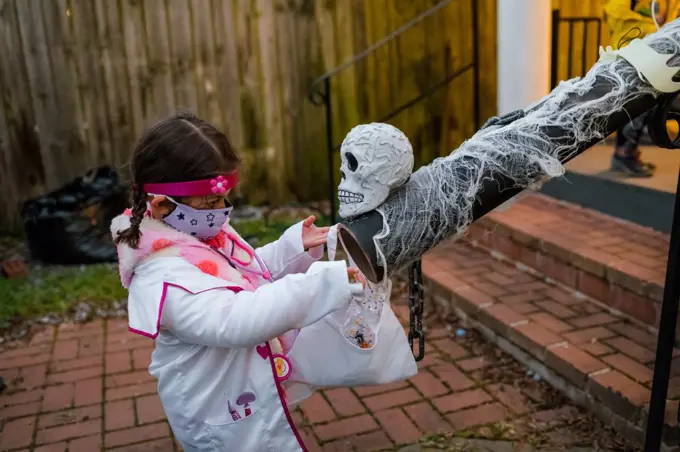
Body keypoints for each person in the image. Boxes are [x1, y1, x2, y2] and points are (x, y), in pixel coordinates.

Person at [111, 112, 366, 451]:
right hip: (214, 414)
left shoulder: (191, 230)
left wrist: (292, 249)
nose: (224, 210)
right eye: (212, 202)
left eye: (225, 198)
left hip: (235, 393)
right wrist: (321, 283)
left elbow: (242, 275)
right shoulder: (163, 276)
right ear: (160, 205)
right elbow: (237, 319)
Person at [604, 0, 680, 176]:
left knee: (644, 106)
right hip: (634, 55)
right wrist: (657, 28)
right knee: (635, 107)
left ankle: (626, 153)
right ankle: (624, 155)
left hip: (655, 55)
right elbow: (615, 14)